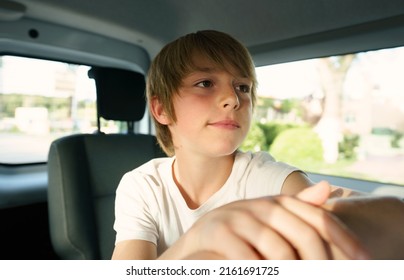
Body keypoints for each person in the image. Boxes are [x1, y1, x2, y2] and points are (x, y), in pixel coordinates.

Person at [112, 30, 404, 260]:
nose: (233, 99)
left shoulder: (268, 177)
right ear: (161, 109)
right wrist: (198, 240)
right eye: (205, 83)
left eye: (242, 87)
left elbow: (391, 221)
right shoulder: (142, 186)